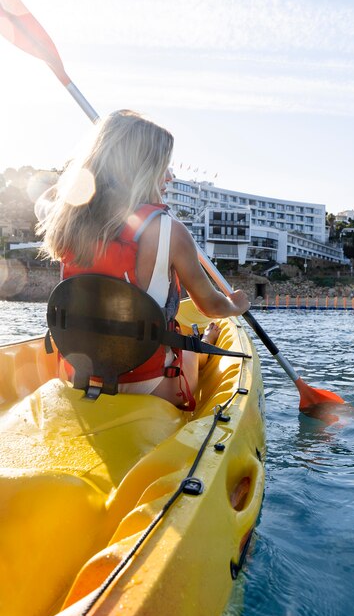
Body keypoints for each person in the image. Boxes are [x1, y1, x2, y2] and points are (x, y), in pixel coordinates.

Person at [36, 109, 250, 410]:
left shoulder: (67, 222)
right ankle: (205, 347)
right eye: (163, 166)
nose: (170, 176)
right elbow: (211, 305)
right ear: (141, 170)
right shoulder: (170, 232)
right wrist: (236, 305)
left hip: (76, 375)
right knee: (190, 344)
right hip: (145, 384)